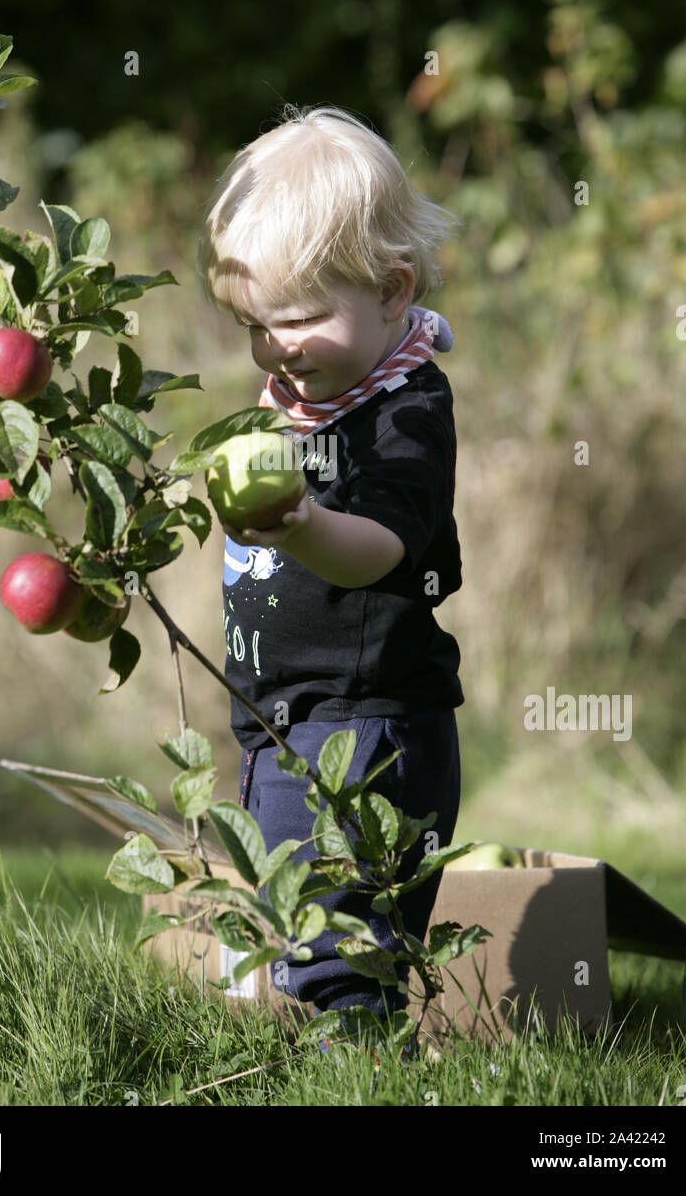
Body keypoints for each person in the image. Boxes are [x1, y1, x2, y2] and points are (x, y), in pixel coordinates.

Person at [195, 103, 464, 1037]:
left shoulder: (404, 416)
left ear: (393, 290)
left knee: (340, 946)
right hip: (287, 723)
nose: (276, 348)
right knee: (299, 918)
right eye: (256, 327)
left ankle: (352, 1070)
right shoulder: (304, 400)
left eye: (301, 319)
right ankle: (332, 1041)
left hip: (365, 731)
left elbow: (382, 548)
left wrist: (298, 520)